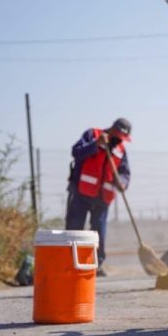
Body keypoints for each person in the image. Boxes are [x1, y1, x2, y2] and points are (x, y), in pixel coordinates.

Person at [65, 118, 132, 277]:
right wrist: (95, 145)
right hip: (81, 192)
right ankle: (69, 262)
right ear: (112, 130)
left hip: (103, 198)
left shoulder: (121, 149)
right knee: (74, 228)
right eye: (118, 136)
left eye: (123, 138)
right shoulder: (92, 134)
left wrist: (122, 182)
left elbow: (124, 173)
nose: (120, 140)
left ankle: (96, 264)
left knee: (99, 232)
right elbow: (76, 152)